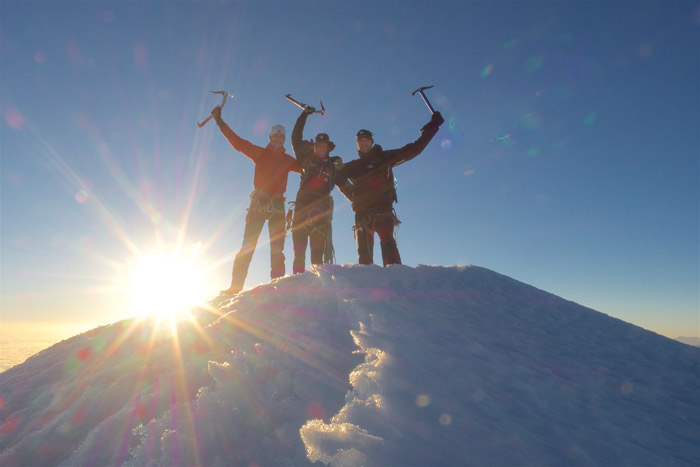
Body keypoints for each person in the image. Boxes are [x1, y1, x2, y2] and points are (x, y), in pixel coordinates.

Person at [211, 105, 300, 295]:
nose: (278, 138)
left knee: (278, 248)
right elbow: (237, 143)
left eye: (281, 136)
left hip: (277, 205)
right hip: (259, 203)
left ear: (284, 139)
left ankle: (278, 285)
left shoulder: (289, 161)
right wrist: (220, 122)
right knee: (248, 246)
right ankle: (235, 287)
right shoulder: (259, 153)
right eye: (275, 136)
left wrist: (311, 153)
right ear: (270, 138)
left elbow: (306, 168)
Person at [337, 111, 444, 266]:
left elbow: (414, 149)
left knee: (389, 248)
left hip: (383, 210)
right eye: (360, 140)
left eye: (366, 139)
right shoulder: (353, 166)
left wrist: (433, 126)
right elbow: (336, 177)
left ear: (372, 142)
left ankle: (396, 280)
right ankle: (367, 285)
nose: (364, 143)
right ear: (357, 144)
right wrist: (352, 196)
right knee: (364, 255)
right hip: (362, 212)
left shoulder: (385, 158)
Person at [289, 106, 348, 273]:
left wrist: (357, 201)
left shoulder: (334, 165)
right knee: (298, 253)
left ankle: (319, 289)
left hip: (321, 211)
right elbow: (296, 137)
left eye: (325, 146)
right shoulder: (305, 159)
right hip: (301, 209)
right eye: (319, 146)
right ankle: (297, 286)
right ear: (314, 147)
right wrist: (304, 115)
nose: (322, 149)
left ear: (328, 148)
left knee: (317, 255)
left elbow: (345, 184)